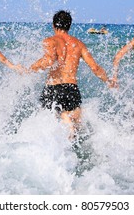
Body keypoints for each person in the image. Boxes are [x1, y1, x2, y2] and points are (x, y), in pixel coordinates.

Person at [29, 10, 114, 138]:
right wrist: (108, 81)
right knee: (76, 127)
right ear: (69, 25)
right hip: (71, 89)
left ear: (53, 25)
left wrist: (29, 69)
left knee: (47, 127)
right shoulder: (79, 44)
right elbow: (95, 68)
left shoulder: (50, 41)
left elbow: (48, 60)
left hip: (54, 88)